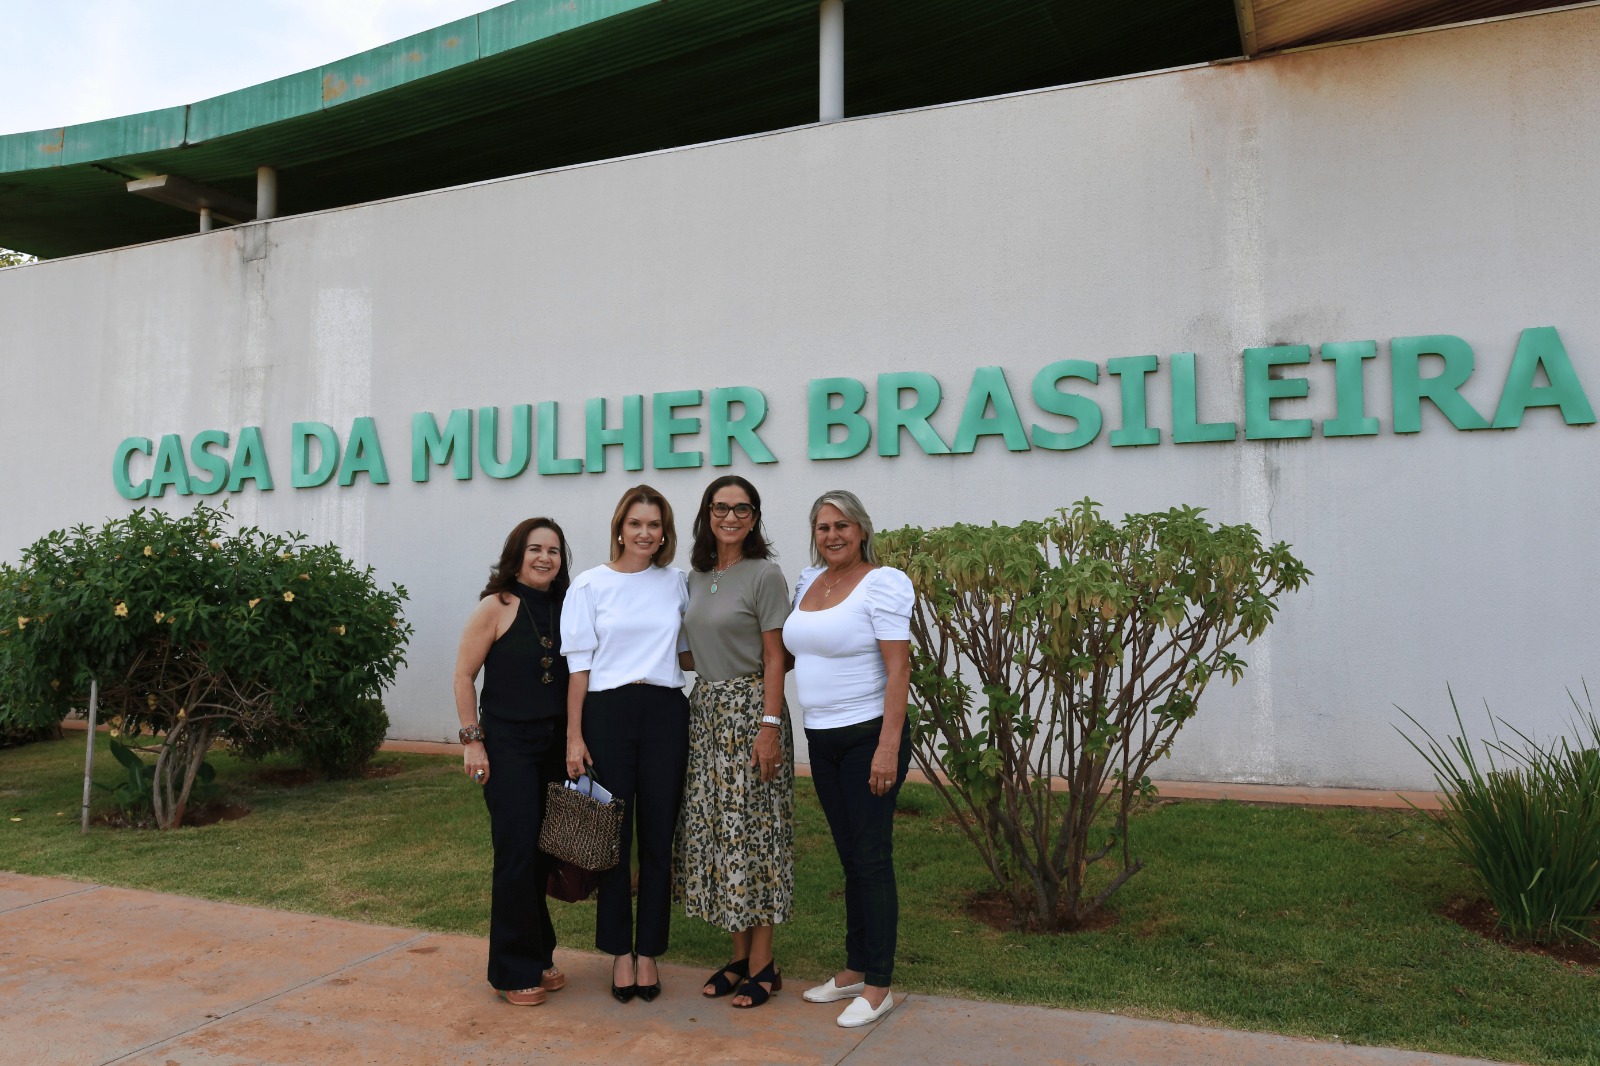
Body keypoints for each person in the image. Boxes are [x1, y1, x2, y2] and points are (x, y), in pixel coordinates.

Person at [782, 489, 913, 1029]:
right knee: (849, 856)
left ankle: (879, 984)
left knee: (871, 857)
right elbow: (790, 653)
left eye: (842, 525)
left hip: (867, 738)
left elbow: (898, 670)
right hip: (823, 737)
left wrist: (887, 746)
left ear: (861, 529)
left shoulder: (883, 583)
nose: (832, 535)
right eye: (822, 527)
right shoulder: (807, 582)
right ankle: (857, 967)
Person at [561, 484, 690, 1004]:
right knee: (611, 837)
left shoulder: (677, 583)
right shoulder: (589, 586)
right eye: (636, 523)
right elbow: (578, 668)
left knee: (659, 838)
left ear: (664, 534)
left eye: (654, 525)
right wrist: (574, 735)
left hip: (664, 712)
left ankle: (650, 951)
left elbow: (687, 653)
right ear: (619, 526)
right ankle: (619, 952)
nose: (645, 532)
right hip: (607, 712)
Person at [675, 475, 794, 1009]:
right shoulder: (697, 577)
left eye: (742, 508)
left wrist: (769, 725)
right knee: (721, 833)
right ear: (706, 514)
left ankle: (765, 964)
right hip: (706, 714)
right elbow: (688, 653)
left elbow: (776, 657)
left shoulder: (765, 575)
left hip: (752, 714)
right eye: (720, 508)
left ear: (754, 516)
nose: (730, 517)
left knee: (758, 833)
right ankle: (739, 955)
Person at [452, 517, 573, 1006]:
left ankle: (540, 953)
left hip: (556, 748)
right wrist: (471, 741)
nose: (545, 558)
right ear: (516, 554)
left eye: (555, 551)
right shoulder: (496, 606)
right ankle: (513, 969)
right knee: (517, 853)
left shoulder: (569, 608)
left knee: (542, 856)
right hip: (507, 746)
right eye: (535, 548)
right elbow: (464, 675)